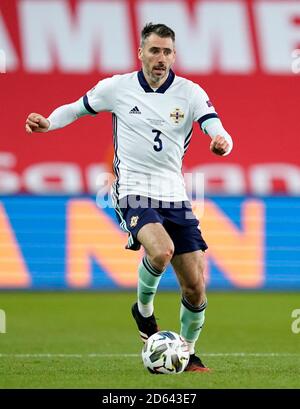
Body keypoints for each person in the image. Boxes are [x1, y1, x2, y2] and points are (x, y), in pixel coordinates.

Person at [25, 23, 233, 372]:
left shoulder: (190, 92)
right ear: (140, 53)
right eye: (154, 50)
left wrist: (222, 142)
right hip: (132, 190)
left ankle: (187, 351)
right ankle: (144, 311)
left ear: (174, 55)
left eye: (167, 52)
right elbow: (75, 109)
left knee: (196, 287)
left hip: (175, 196)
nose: (161, 58)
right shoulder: (117, 87)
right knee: (161, 250)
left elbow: (216, 125)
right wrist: (48, 121)